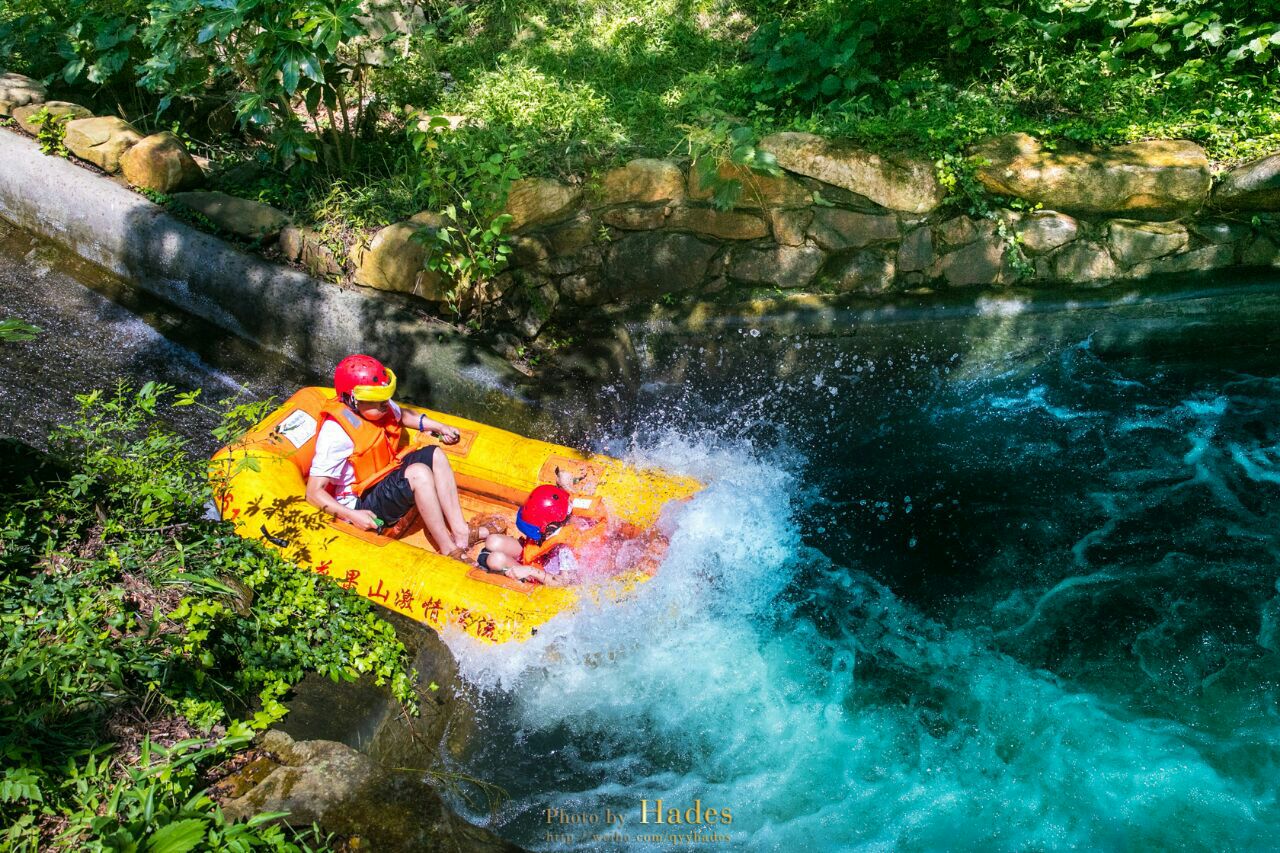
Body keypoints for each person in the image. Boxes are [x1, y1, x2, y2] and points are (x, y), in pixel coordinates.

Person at [304, 354, 502, 556]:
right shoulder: (336, 433)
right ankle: (448, 549)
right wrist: (353, 515)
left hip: (382, 476)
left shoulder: (378, 407)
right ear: (353, 400)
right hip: (359, 501)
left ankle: (462, 532)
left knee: (434, 454)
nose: (385, 404)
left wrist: (439, 427)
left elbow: (403, 415)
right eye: (378, 400)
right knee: (418, 473)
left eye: (386, 397)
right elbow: (313, 493)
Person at [474, 469, 609, 586]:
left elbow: (563, 583)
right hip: (539, 553)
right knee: (492, 540)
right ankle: (493, 557)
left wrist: (530, 571)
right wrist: (565, 485)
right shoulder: (565, 508)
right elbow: (563, 498)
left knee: (495, 559)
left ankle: (499, 565)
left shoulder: (567, 547)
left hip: (543, 573)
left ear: (552, 527)